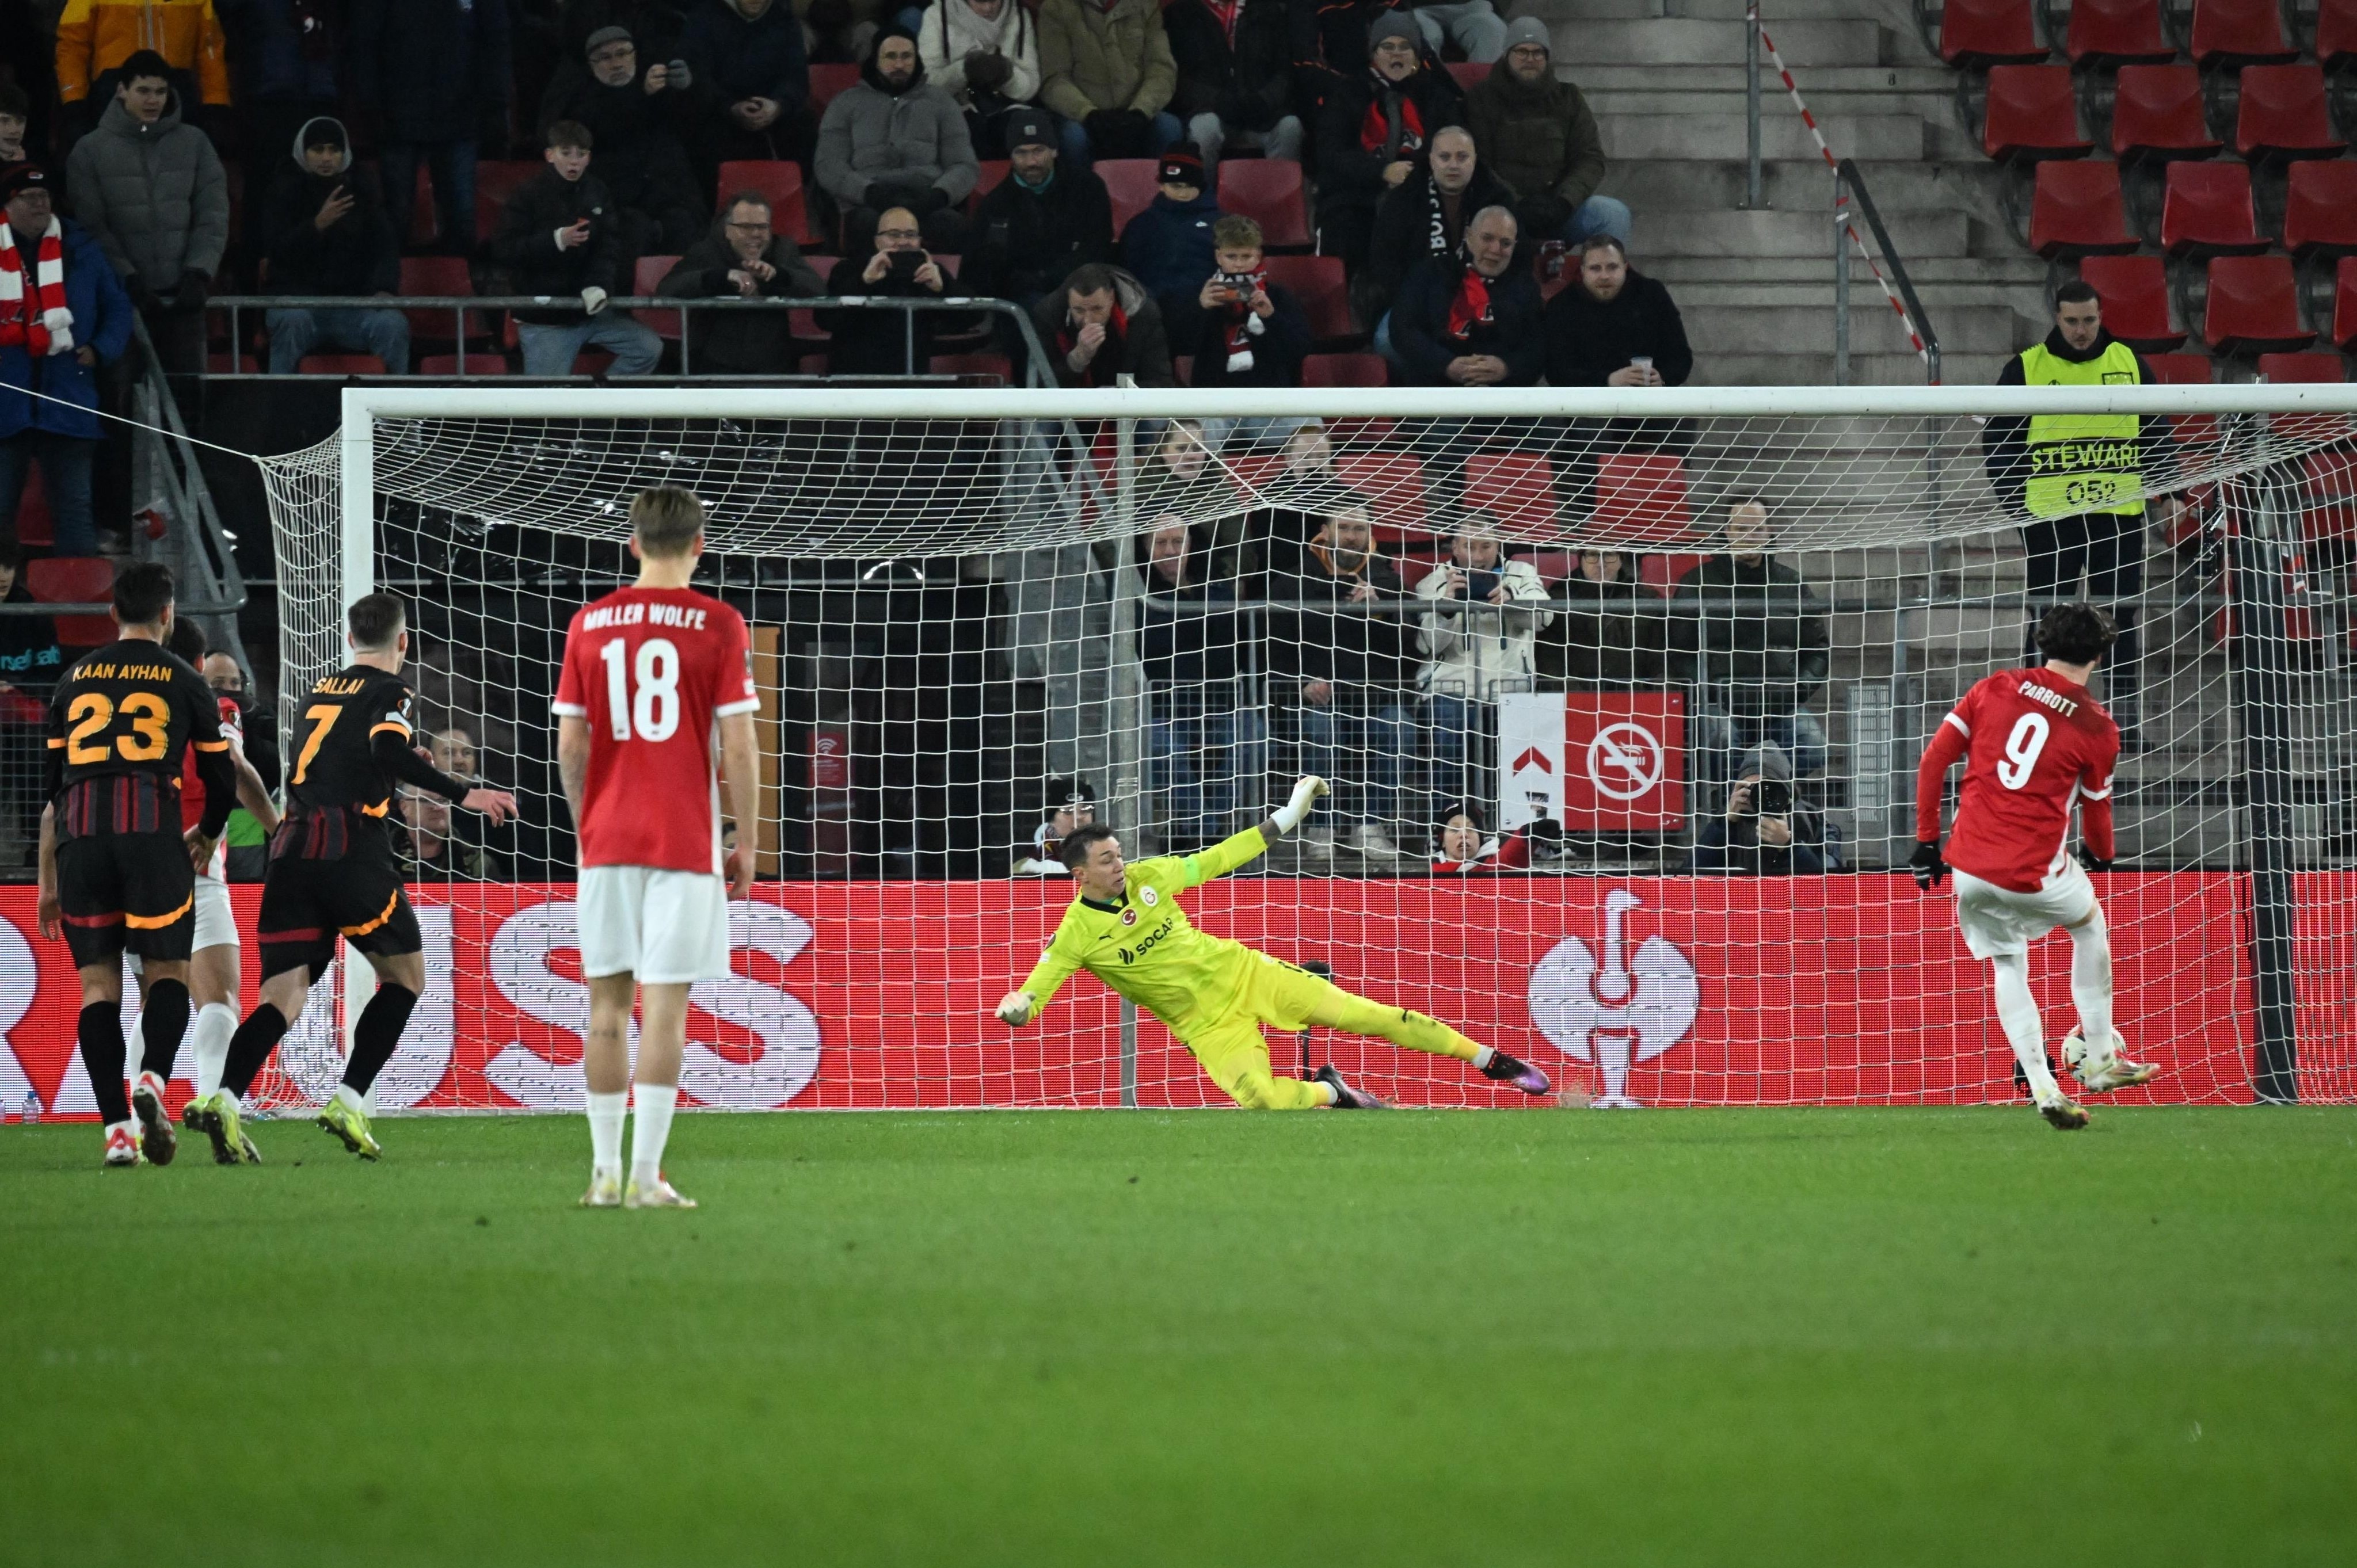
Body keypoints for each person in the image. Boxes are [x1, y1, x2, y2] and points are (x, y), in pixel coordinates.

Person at [187, 593, 519, 1165]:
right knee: (406, 975)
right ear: (403, 643)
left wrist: (386, 762)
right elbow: (386, 748)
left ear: (347, 641)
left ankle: (223, 1096)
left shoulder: (320, 690)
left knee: (280, 997)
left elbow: (343, 757)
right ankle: (349, 1098)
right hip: (349, 852)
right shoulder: (392, 691)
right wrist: (466, 791)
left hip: (290, 852)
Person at [995, 784, 1553, 1107]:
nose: (1120, 864)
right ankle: (1334, 1095)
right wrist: (1019, 1008)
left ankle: (1491, 1060)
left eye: (1119, 853)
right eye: (1107, 860)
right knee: (1260, 1100)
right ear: (1079, 875)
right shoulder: (1074, 934)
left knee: (1371, 1015)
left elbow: (1221, 856)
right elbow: (1035, 991)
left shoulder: (1152, 875)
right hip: (1207, 1025)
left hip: (1249, 973)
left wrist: (1286, 816)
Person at [553, 485, 760, 1208]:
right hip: (685, 842)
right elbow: (738, 743)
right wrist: (750, 842)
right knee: (665, 1012)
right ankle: (646, 1178)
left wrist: (589, 825)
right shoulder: (719, 623)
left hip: (607, 841)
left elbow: (571, 747)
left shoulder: (590, 623)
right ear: (700, 544)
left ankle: (604, 1174)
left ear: (633, 544)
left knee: (605, 1009)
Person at [1912, 600, 2164, 1131]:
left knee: (2007, 962)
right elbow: (2096, 810)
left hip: (1968, 867)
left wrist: (1925, 844)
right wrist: (2103, 857)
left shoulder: (1993, 687)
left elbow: (1933, 759)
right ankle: (2098, 1060)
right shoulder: (2097, 725)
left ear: (2041, 642)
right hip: (2031, 869)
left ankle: (2043, 1085)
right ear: (2100, 654)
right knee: (2088, 924)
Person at [33, 562, 235, 1168]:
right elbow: (222, 775)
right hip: (153, 833)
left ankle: (117, 1130)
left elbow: (50, 784)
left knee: (98, 988)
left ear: (113, 615)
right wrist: (208, 830)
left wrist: (53, 868)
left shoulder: (72, 679)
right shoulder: (182, 676)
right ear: (168, 615)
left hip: (83, 836)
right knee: (167, 972)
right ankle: (152, 1079)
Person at [1983, 280, 2172, 749]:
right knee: (2047, 621)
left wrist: (2171, 492)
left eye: (2089, 320)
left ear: (2101, 313)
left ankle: (2123, 724)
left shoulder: (2128, 363)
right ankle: (2036, 718)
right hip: (2050, 521)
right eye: (2071, 321)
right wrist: (2018, 506)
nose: (2082, 330)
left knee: (2121, 620)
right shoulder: (2026, 367)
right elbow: (1997, 444)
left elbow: (2156, 432)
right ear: (2056, 317)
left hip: (2118, 516)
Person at [126, 617, 277, 1113]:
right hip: (194, 857)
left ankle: (133, 1114)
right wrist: (279, 829)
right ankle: (214, 1101)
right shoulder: (215, 705)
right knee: (219, 997)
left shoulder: (123, 711)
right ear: (196, 666)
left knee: (153, 999)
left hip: (127, 861)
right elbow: (231, 765)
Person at [1267, 493, 1412, 863]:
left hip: (1374, 698)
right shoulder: (1293, 579)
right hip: (1315, 700)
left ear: (1370, 533)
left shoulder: (1387, 580)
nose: (1351, 536)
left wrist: (1382, 609)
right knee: (1320, 731)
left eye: (1359, 529)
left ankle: (1371, 827)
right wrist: (1302, 683)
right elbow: (1275, 646)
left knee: (1399, 728)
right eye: (1344, 527)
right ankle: (1322, 828)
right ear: (1326, 531)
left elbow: (1411, 647)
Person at [65, 51, 227, 377]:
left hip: (183, 298)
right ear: (122, 90)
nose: (153, 100)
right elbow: (91, 225)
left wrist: (199, 271)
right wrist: (126, 277)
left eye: (161, 91)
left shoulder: (195, 143)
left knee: (187, 397)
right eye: (143, 91)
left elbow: (213, 214)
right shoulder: (89, 150)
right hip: (119, 301)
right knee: (123, 398)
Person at [1, 165, 134, 558]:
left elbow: (118, 308)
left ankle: (76, 614)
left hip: (69, 397)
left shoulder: (81, 248)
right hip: (7, 403)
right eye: (30, 197)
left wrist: (101, 349)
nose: (41, 204)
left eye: (45, 197)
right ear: (9, 203)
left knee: (75, 512)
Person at [1672, 499, 1830, 797]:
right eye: (1742, 528)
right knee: (1720, 741)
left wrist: (1796, 689)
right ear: (1727, 531)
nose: (1749, 535)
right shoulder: (1697, 582)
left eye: (1757, 528)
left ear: (1770, 531)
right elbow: (1679, 652)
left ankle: (1767, 794)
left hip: (1779, 706)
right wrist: (1712, 691)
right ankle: (1734, 805)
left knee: (1813, 747)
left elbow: (1818, 648)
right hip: (1720, 706)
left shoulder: (1791, 583)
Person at [492, 121, 665, 377]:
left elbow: (608, 245)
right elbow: (504, 250)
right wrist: (556, 240)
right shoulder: (527, 195)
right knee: (546, 402)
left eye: (581, 154)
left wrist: (598, 286)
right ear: (550, 155)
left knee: (647, 348)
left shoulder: (597, 191)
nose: (574, 162)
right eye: (566, 153)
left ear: (589, 158)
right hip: (545, 319)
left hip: (590, 312)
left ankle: (599, 406)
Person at [348, 0, 511, 257]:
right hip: (398, 113)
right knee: (396, 214)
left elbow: (496, 41)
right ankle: (387, 286)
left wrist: (495, 100)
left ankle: (464, 290)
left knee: (461, 214)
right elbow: (365, 43)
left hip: (460, 112)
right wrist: (370, 103)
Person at [1412, 511, 1550, 816]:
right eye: (1469, 546)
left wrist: (1512, 600)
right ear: (1454, 548)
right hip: (1449, 690)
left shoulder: (1521, 572)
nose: (1477, 556)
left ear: (1498, 544)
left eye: (1486, 546)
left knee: (1531, 748)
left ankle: (1530, 835)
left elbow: (1543, 620)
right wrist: (1446, 608)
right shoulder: (1434, 581)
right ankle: (1444, 830)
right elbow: (1428, 645)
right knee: (1447, 734)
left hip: (1511, 689)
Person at [1313, 12, 1465, 276]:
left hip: (1421, 192)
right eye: (1388, 47)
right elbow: (1332, 153)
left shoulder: (1436, 95)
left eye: (1405, 47)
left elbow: (1452, 144)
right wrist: (1382, 171)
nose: (1397, 54)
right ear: (1374, 52)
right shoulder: (1348, 93)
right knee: (1345, 227)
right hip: (1357, 195)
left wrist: (1413, 173)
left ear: (1417, 55)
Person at [539, 23, 711, 254]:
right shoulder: (579, 100)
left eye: (622, 54)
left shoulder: (658, 88)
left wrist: (688, 89)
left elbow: (692, 126)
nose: (617, 63)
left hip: (670, 196)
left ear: (635, 56)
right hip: (618, 205)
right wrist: (642, 94)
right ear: (591, 65)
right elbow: (604, 129)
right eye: (605, 58)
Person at [1138, 517, 1256, 847]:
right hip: (1162, 706)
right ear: (1146, 550)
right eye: (1160, 544)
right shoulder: (1136, 593)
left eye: (1177, 542)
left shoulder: (1218, 589)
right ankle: (1203, 831)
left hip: (1218, 702)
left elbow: (1234, 648)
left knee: (1255, 738)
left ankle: (1208, 826)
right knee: (1162, 748)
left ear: (1191, 547)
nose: (1170, 551)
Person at [260, 117, 409, 375]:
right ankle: (279, 405)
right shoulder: (283, 191)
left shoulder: (363, 191)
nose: (327, 158)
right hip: (298, 305)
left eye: (334, 150)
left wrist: (384, 289)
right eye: (318, 150)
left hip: (353, 308)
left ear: (345, 153)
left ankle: (395, 411)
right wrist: (316, 225)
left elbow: (386, 247)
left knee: (392, 323)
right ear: (303, 152)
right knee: (292, 321)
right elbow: (276, 253)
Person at [1464, 17, 1627, 249]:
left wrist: (1564, 202)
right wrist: (1515, 203)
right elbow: (1480, 162)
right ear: (1507, 54)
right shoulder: (1481, 99)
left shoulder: (1569, 98)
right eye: (1522, 51)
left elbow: (1589, 158)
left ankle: (1601, 277)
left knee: (1613, 213)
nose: (1530, 59)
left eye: (1538, 52)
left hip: (1558, 210)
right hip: (1502, 211)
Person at [814, 26, 978, 255]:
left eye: (906, 56)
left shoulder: (942, 102)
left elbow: (964, 165)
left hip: (928, 199)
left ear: (917, 59)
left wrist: (940, 195)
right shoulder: (845, 103)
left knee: (955, 227)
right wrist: (867, 192)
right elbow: (828, 165)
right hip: (868, 201)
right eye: (890, 57)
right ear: (875, 60)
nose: (899, 65)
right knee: (864, 226)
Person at [1360, 123, 1515, 344]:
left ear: (1475, 159)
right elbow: (1384, 264)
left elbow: (1517, 259)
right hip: (1417, 301)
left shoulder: (1498, 199)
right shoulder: (1403, 200)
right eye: (1445, 157)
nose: (1454, 165)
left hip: (1485, 299)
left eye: (1462, 157)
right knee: (1386, 340)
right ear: (1431, 159)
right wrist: (1425, 301)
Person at [657, 191, 826, 373]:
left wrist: (778, 276)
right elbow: (666, 291)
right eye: (745, 227)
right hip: (713, 365)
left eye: (762, 227)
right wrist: (721, 277)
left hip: (773, 366)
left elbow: (818, 290)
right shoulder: (707, 252)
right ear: (728, 230)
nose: (755, 234)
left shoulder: (783, 250)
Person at [963, 108, 1113, 314]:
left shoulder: (1088, 188)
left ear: (1054, 150)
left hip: (1083, 288)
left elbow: (1097, 246)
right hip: (1024, 300)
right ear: (1011, 156)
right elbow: (984, 270)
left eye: (1038, 151)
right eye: (1021, 153)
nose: (1031, 162)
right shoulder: (995, 206)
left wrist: (1047, 278)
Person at [1389, 204, 1541, 387]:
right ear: (1469, 237)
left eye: (1506, 243)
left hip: (1503, 397)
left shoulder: (1526, 287)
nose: (1495, 249)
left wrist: (1506, 368)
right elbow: (1403, 328)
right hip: (1437, 392)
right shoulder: (1431, 272)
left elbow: (1537, 346)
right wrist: (1446, 364)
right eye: (1487, 238)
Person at [1163, 0, 1302, 185]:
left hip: (1260, 113)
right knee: (1205, 130)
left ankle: (1279, 206)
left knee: (1290, 128)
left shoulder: (1268, 10)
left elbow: (1285, 72)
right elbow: (1176, 78)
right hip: (1211, 110)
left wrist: (1265, 100)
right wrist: (1217, 100)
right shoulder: (1181, 12)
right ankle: (1203, 206)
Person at [1177, 213, 1309, 399]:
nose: (1239, 264)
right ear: (1219, 257)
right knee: (1192, 429)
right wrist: (1201, 309)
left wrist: (1271, 317)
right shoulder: (1201, 295)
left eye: (1246, 256)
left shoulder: (1277, 297)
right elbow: (1182, 347)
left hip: (1270, 398)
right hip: (1214, 399)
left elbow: (1299, 351)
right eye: (1232, 256)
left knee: (1309, 426)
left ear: (1258, 257)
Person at [1036, 0, 1181, 166]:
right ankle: (1081, 191)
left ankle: (1161, 191)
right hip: (1083, 118)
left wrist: (1141, 111)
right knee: (1073, 137)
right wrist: (1088, 114)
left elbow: (1161, 69)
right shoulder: (1056, 7)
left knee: (1169, 127)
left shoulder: (1146, 5)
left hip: (1138, 113)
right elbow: (1055, 80)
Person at [55, 0, 232, 132]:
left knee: (177, 171)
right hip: (115, 95)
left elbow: (210, 50)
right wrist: (74, 101)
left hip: (177, 95)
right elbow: (72, 46)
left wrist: (216, 103)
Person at [1542, 234, 1690, 389]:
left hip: (1649, 400)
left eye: (1612, 267)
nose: (1604, 276)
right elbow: (1557, 372)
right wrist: (1608, 381)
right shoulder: (1562, 306)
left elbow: (1680, 356)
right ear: (1583, 270)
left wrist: (1663, 379)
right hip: (1589, 407)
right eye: (1595, 268)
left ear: (1625, 267)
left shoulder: (1652, 295)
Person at [820, 205, 954, 372]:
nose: (903, 241)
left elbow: (971, 318)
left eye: (911, 235)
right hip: (854, 381)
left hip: (912, 382)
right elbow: (824, 320)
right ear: (877, 242)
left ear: (920, 241)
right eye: (894, 234)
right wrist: (863, 282)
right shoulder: (849, 269)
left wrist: (942, 290)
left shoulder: (931, 272)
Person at [680, 0, 814, 166]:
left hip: (775, 115)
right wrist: (731, 107)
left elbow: (797, 78)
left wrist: (778, 106)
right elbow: (698, 80)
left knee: (805, 126)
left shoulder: (784, 20)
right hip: (720, 116)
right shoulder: (702, 20)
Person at [916, 0, 1043, 159]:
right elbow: (927, 84)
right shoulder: (937, 15)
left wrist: (1006, 73)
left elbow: (1030, 86)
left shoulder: (1019, 17)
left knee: (1029, 130)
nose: (988, 8)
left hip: (1006, 105)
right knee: (966, 131)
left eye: (994, 1)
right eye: (979, 2)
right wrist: (965, 70)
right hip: (957, 106)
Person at [0, 547, 63, 860]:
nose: (2, 575)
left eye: (8, 565)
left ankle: (35, 844)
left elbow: (51, 673)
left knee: (36, 749)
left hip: (23, 706)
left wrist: (17, 685)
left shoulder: (31, 611)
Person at [1119, 142, 1223, 328]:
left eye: (1188, 186)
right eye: (1175, 186)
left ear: (1200, 184)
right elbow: (1128, 277)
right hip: (1156, 315)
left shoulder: (1223, 225)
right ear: (1162, 185)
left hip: (1209, 312)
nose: (1182, 193)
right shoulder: (1140, 225)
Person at [1536, 548, 1668, 689]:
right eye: (1593, 555)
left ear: (1621, 559)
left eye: (1609, 555)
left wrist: (1659, 694)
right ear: (1581, 559)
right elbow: (1549, 659)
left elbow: (1659, 659)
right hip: (1575, 697)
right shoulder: (1559, 598)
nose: (1601, 563)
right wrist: (1574, 697)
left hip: (1635, 696)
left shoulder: (1645, 599)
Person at [1030, 262, 1174, 388]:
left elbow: (1160, 383)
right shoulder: (1049, 316)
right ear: (1069, 301)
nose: (1088, 320)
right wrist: (1077, 359)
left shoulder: (1143, 314)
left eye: (1097, 309)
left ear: (1111, 298)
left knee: (1156, 421)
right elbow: (1040, 386)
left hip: (1129, 406)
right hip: (1071, 407)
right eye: (1079, 310)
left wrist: (1117, 393)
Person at [1692, 742, 1826, 876]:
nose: (1760, 795)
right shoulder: (1727, 819)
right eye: (1752, 788)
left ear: (1785, 790)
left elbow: (1828, 885)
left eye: (1767, 788)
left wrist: (1788, 845)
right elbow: (1691, 878)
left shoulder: (1812, 819)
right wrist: (1725, 824)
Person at [202, 647, 276, 880]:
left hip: (251, 857)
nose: (229, 690)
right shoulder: (192, 722)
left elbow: (278, 766)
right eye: (218, 683)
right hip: (206, 849)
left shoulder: (261, 718)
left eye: (234, 683)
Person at [1013, 775, 1096, 874]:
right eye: (1068, 811)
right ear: (1052, 820)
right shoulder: (1025, 866)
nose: (1078, 817)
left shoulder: (1108, 852)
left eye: (1085, 809)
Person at [1430, 803, 1535, 871]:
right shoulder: (1427, 879)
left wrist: (1528, 833)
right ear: (1442, 840)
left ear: (1480, 839)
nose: (1464, 835)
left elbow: (1511, 856)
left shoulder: (1492, 868)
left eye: (1471, 829)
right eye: (1455, 829)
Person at [1408, 0, 1505, 63]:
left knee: (1491, 27)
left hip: (1473, 6)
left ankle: (1481, 91)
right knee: (1428, 34)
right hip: (1418, 8)